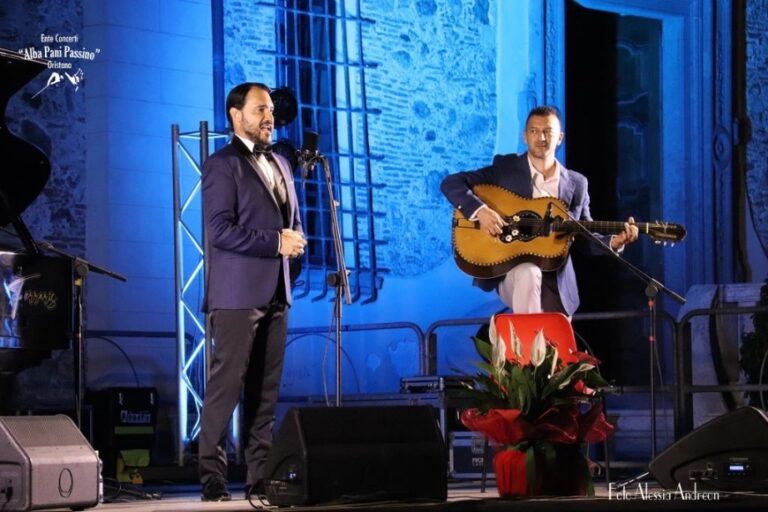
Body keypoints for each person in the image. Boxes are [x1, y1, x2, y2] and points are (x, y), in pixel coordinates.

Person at [198, 82, 307, 501]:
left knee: (265, 392)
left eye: (271, 112)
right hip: (236, 295)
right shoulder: (221, 164)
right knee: (226, 388)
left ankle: (259, 475)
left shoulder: (281, 162)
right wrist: (274, 242)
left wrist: (294, 243)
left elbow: (288, 221)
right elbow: (220, 230)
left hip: (277, 292)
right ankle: (212, 476)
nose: (269, 117)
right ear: (235, 114)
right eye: (260, 109)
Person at [440, 105, 638, 316]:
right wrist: (481, 211)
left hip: (557, 284)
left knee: (555, 348)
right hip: (511, 272)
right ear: (525, 136)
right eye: (534, 131)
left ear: (559, 137)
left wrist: (613, 243)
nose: (541, 137)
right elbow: (451, 183)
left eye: (548, 131)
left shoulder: (576, 183)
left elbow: (584, 238)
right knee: (529, 271)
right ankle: (527, 346)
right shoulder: (506, 168)